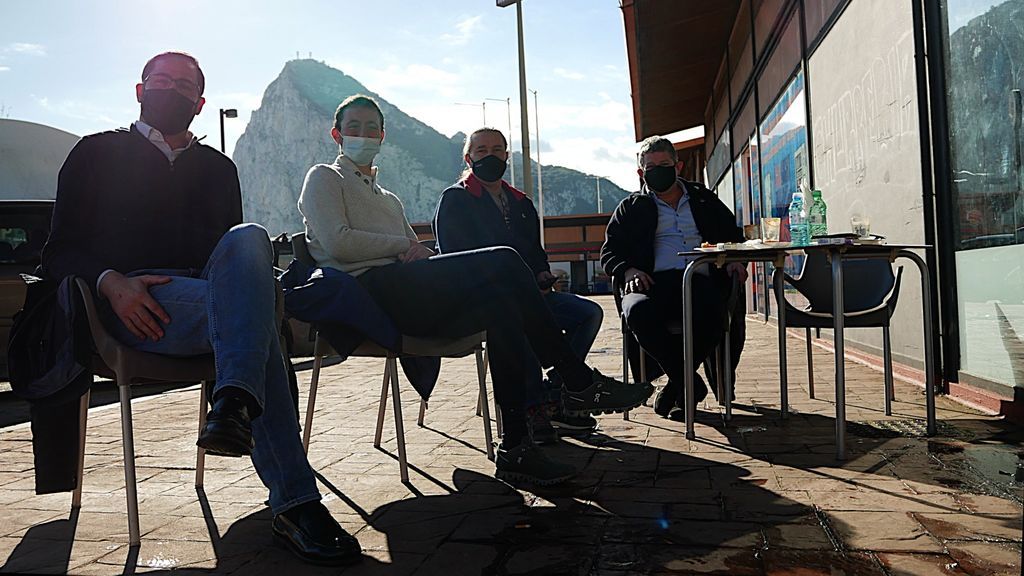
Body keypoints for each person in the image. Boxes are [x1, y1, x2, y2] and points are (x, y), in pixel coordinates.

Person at [39, 52, 361, 566]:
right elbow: (57, 251)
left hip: (211, 300)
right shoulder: (95, 153)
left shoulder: (218, 167)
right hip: (138, 305)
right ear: (140, 90)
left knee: (249, 239)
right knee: (257, 323)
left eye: (183, 85)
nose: (170, 90)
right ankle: (293, 497)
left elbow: (234, 261)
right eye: (160, 81)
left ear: (200, 101)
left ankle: (234, 400)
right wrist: (112, 283)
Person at [297, 95, 652, 485]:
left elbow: (414, 253)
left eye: (371, 128)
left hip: (409, 294)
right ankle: (577, 381)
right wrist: (403, 247)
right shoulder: (324, 177)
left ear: (382, 135)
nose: (363, 135)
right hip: (367, 295)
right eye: (354, 127)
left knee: (504, 308)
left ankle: (516, 446)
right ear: (336, 134)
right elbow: (339, 243)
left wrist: (415, 251)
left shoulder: (390, 199)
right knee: (502, 260)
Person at [433, 127, 602, 443]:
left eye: (497, 149)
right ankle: (533, 407)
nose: (490, 155)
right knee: (515, 318)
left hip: (533, 296)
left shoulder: (521, 202)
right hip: (485, 301)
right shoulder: (455, 200)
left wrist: (541, 273)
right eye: (482, 150)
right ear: (468, 158)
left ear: (507, 156)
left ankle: (554, 394)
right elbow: (454, 259)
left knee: (588, 314)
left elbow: (536, 252)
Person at [600, 135, 747, 419]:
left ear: (677, 166)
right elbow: (609, 251)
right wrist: (628, 270)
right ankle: (689, 384)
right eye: (651, 166)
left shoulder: (703, 198)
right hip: (652, 281)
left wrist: (733, 261)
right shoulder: (631, 207)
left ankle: (677, 388)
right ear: (641, 172)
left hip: (700, 279)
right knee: (636, 311)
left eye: (664, 164)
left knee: (714, 312)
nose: (658, 170)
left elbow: (733, 236)